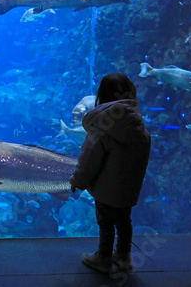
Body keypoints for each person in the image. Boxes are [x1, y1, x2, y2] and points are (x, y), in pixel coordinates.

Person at [69, 73, 151, 274]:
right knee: (124, 222)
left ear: (102, 95)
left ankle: (102, 258)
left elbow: (89, 159)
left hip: (106, 189)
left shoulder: (102, 127)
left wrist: (77, 181)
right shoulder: (138, 124)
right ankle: (124, 257)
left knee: (106, 223)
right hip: (129, 189)